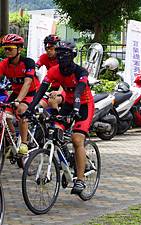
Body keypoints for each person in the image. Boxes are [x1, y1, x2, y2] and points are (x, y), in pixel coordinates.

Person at [26, 41, 95, 195]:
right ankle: (69, 160)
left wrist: (75, 111)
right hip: (68, 104)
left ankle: (80, 179)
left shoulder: (80, 72)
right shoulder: (54, 71)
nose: (61, 56)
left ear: (72, 56)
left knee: (77, 140)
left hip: (83, 105)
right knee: (55, 131)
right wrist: (29, 110)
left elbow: (78, 93)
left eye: (65, 53)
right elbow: (40, 92)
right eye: (59, 53)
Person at [0, 34, 40, 154]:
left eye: (10, 48)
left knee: (22, 111)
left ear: (20, 49)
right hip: (17, 92)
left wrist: (18, 100)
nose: (7, 51)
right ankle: (12, 137)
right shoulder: (4, 64)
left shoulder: (28, 63)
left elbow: (27, 83)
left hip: (32, 92)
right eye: (5, 48)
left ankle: (24, 143)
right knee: (2, 114)